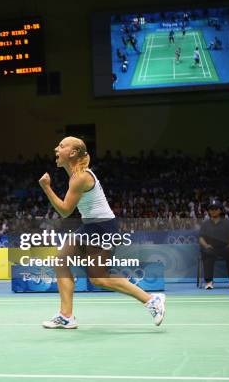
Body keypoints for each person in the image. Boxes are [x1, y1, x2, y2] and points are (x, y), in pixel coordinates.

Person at [38, 136, 165, 329]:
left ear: (72, 153)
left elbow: (65, 210)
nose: (56, 148)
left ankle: (151, 300)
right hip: (89, 226)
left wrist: (46, 188)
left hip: (103, 227)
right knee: (61, 262)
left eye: (61, 146)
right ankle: (66, 316)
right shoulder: (75, 175)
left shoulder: (81, 177)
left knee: (99, 277)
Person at [199, 200, 229, 289]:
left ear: (220, 210)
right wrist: (206, 245)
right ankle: (209, 282)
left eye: (215, 209)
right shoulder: (205, 223)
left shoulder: (226, 223)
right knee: (207, 253)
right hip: (211, 248)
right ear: (209, 211)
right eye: (211, 209)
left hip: (224, 248)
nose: (213, 211)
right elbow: (201, 238)